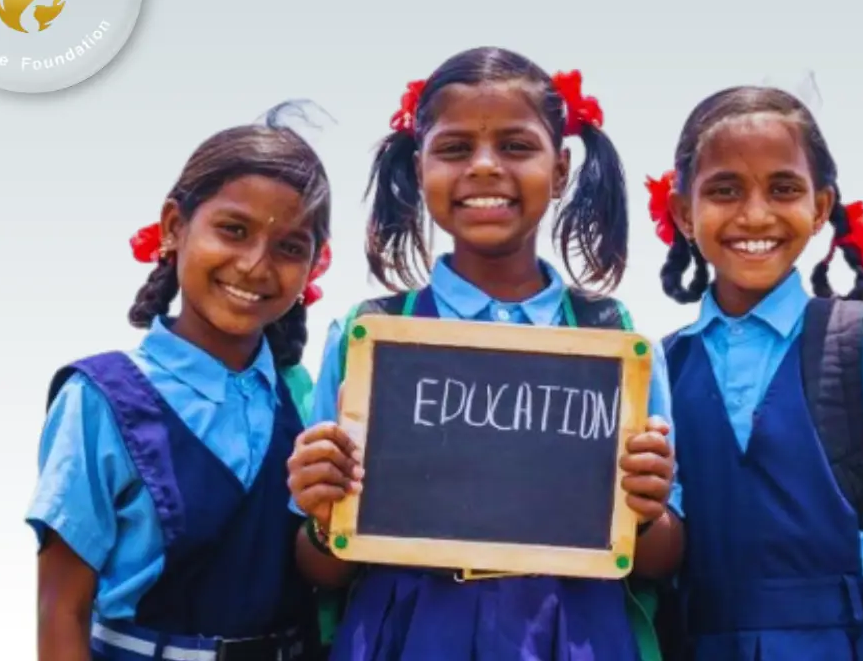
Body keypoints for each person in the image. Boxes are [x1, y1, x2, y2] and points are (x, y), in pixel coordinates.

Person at [286, 46, 684, 660]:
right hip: (407, 633)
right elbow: (321, 567)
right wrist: (320, 509)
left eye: (516, 146)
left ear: (560, 171)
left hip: (570, 634)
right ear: (420, 168)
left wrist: (650, 509)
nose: (484, 167)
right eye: (454, 148)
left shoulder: (614, 339)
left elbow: (659, 557)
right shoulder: (372, 335)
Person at [648, 85, 863, 660]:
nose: (755, 213)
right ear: (683, 213)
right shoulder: (658, 370)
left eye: (783, 188)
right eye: (724, 190)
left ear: (819, 208)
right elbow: (657, 546)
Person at [27, 122, 333, 660]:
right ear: (174, 226)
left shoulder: (308, 401)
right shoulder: (100, 399)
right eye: (233, 230)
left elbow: (326, 568)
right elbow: (61, 609)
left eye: (288, 246)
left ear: (314, 263)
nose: (255, 264)